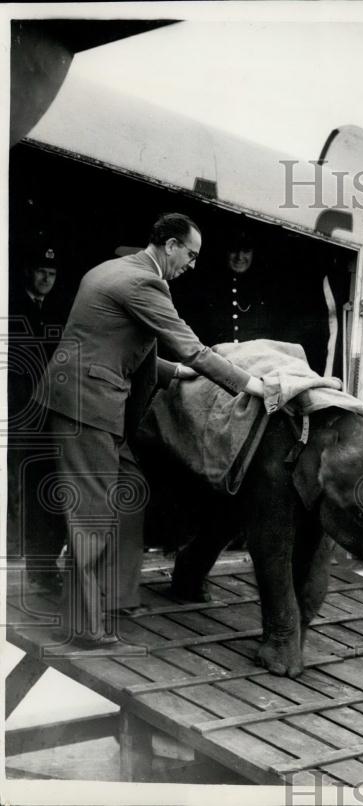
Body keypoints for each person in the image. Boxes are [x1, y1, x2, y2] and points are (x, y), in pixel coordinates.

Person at [33, 213, 269, 649]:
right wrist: (252, 384)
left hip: (92, 401)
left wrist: (176, 373)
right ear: (170, 245)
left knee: (131, 486)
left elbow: (116, 340)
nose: (192, 266)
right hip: (88, 406)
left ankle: (116, 597)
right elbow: (191, 346)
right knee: (94, 513)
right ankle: (82, 626)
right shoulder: (145, 282)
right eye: (191, 255)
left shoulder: (112, 269)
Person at [6, 245, 68, 590]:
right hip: (17, 410)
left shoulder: (56, 311)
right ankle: (14, 553)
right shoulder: (13, 305)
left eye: (53, 274)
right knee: (16, 482)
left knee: (42, 486)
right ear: (29, 271)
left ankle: (39, 565)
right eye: (41, 272)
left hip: (46, 414)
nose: (46, 279)